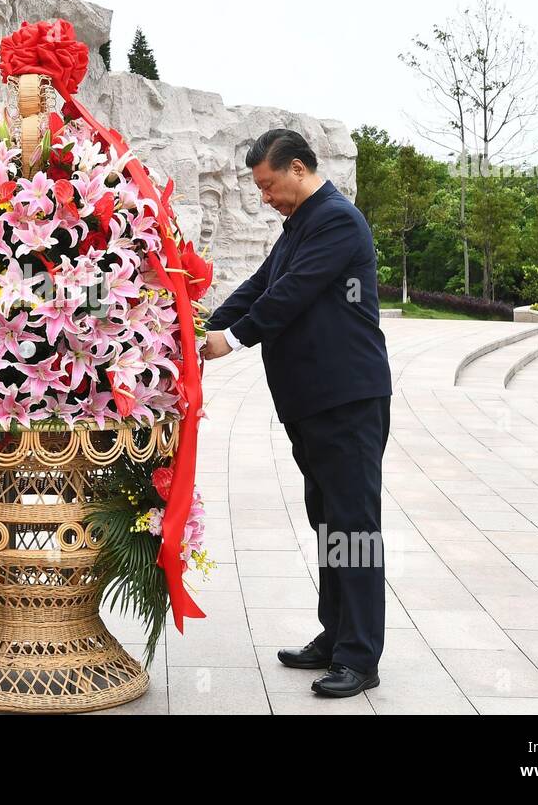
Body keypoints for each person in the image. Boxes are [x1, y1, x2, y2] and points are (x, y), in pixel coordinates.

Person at [201, 128, 392, 698]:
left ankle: (360, 657)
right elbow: (263, 284)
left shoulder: (335, 219)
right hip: (313, 404)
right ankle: (334, 638)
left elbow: (293, 295)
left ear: (301, 168)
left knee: (355, 529)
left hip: (347, 400)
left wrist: (231, 340)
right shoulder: (300, 226)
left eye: (269, 185)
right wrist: (202, 325)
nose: (265, 197)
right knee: (329, 521)